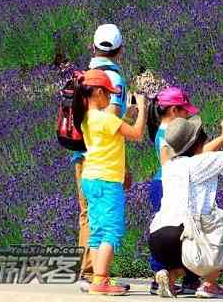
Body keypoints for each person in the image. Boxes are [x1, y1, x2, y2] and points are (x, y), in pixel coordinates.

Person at [149, 115, 223, 298]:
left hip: (157, 239)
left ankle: (169, 278)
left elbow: (201, 154)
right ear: (197, 142)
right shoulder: (198, 164)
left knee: (188, 255)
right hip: (183, 236)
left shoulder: (169, 165)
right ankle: (209, 285)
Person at [73, 69, 147, 296]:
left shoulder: (86, 118)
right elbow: (137, 134)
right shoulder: (105, 118)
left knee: (97, 231)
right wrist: (142, 108)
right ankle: (101, 280)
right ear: (97, 92)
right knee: (111, 232)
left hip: (90, 179)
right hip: (107, 181)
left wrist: (128, 114)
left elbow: (113, 131)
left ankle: (98, 278)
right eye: (108, 93)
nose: (111, 97)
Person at [74, 24, 130, 290]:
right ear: (120, 50)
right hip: (105, 162)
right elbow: (116, 127)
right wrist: (125, 167)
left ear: (92, 46)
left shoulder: (85, 77)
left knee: (88, 214)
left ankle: (92, 275)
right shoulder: (112, 80)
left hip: (82, 153)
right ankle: (96, 276)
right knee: (108, 225)